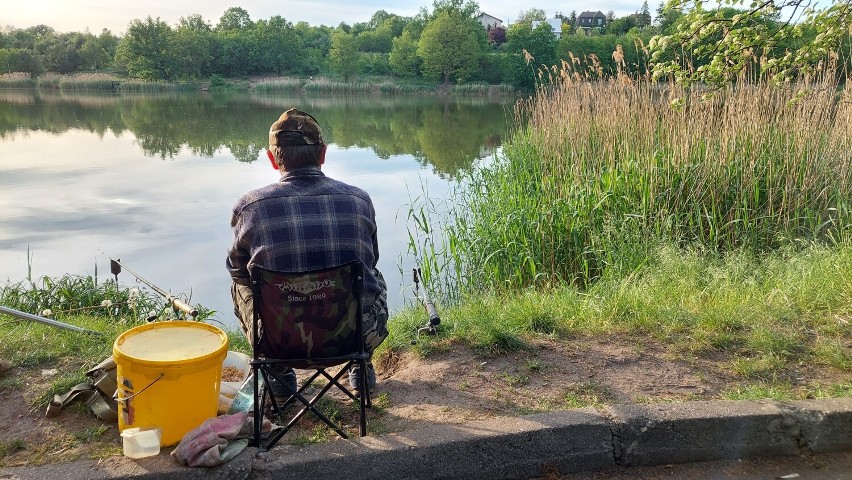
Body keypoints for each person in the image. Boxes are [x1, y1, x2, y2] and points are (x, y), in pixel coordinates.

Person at [226, 108, 388, 399]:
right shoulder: (358, 200)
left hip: (278, 342)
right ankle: (360, 364)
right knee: (372, 275)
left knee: (240, 285)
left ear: (273, 158)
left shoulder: (249, 207)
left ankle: (278, 375)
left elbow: (238, 272)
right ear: (323, 153)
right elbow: (371, 261)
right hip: (353, 336)